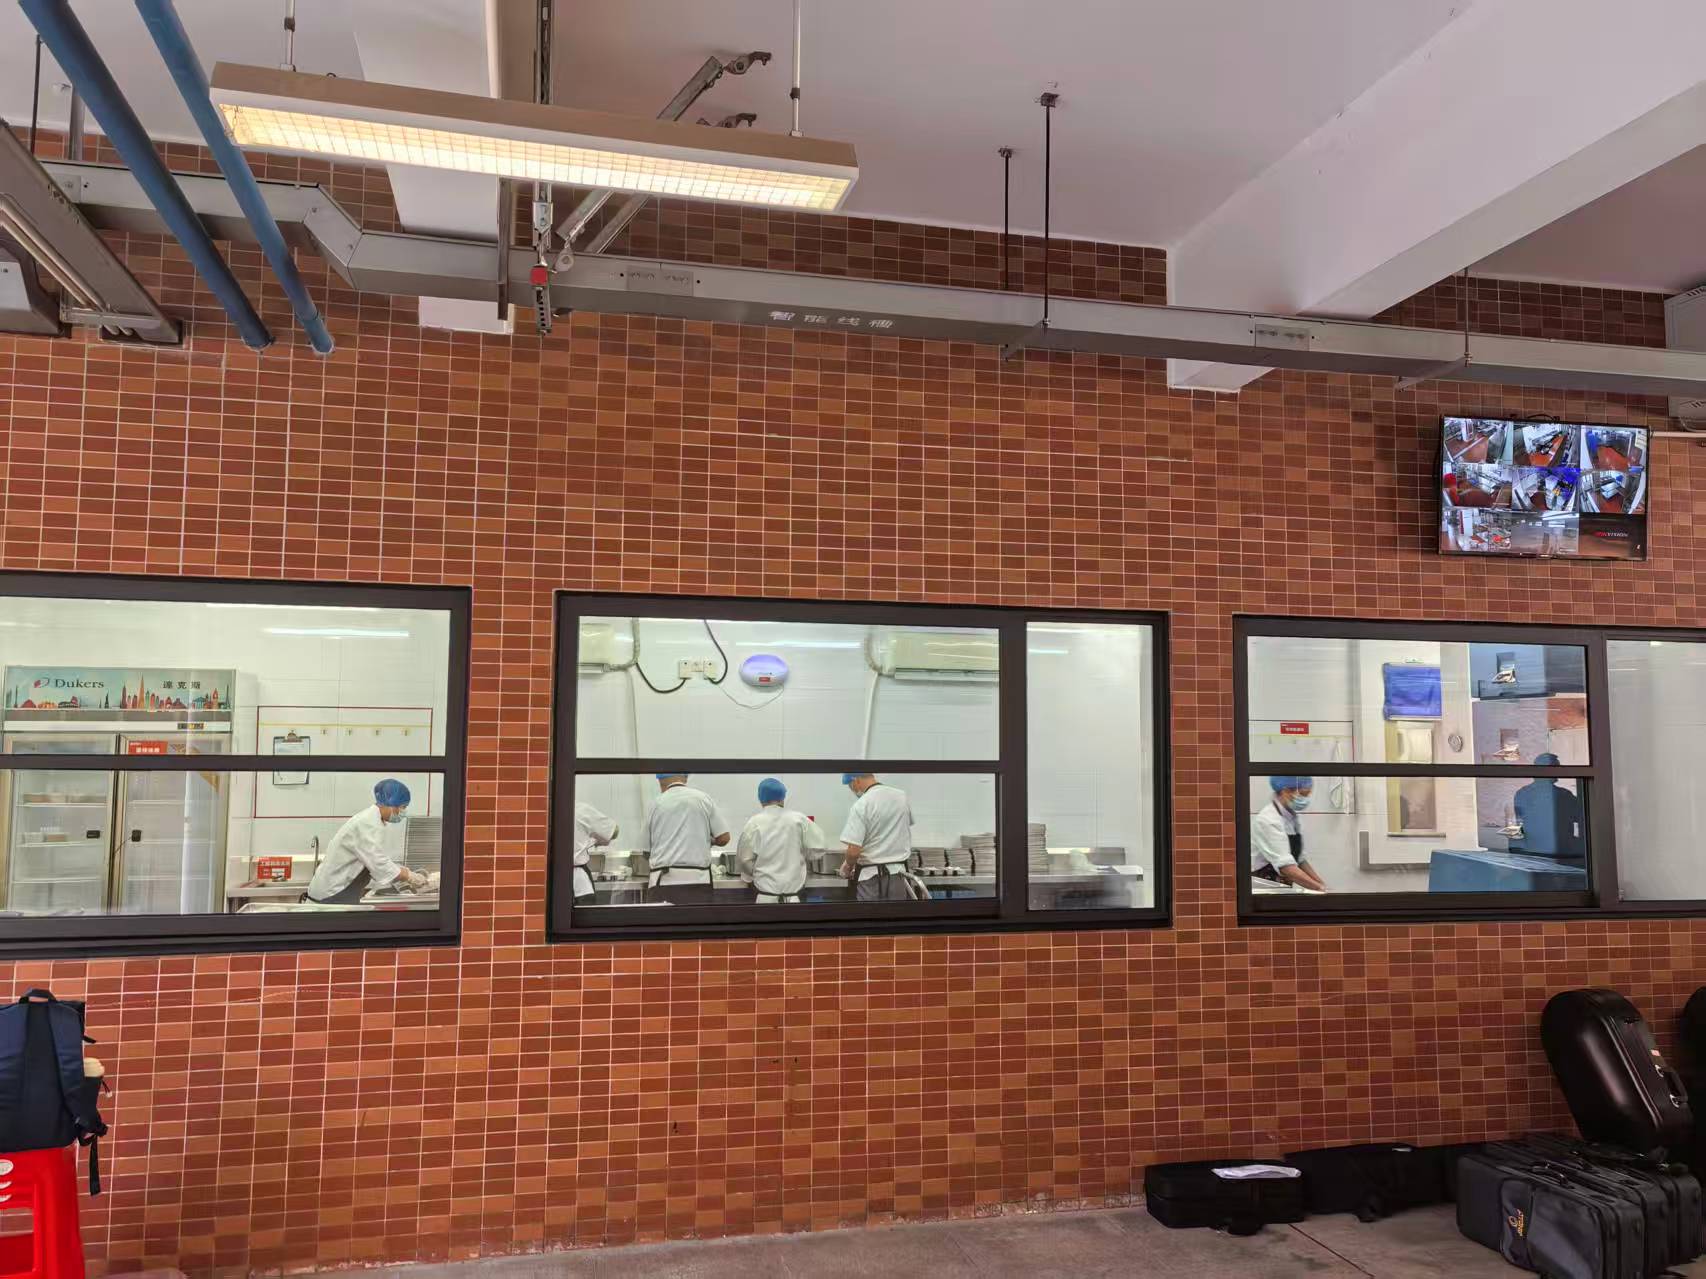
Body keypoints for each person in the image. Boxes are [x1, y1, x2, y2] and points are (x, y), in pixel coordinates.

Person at [304, 778, 430, 905]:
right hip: (330, 897)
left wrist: (402, 871)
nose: (403, 812)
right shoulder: (367, 824)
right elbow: (379, 864)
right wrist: (409, 876)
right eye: (403, 807)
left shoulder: (372, 821)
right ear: (391, 804)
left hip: (336, 894)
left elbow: (375, 860)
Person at [736, 778, 830, 903]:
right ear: (783, 797)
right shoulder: (799, 819)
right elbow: (820, 847)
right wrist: (802, 856)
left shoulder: (754, 823)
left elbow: (744, 859)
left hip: (765, 899)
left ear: (760, 799)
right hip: (794, 899)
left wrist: (752, 874)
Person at [643, 772, 730, 904]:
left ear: (661, 781)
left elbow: (645, 851)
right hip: (699, 882)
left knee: (662, 918)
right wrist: (706, 840)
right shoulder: (703, 799)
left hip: (663, 882)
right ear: (685, 777)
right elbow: (724, 838)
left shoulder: (655, 804)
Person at [838, 772, 915, 901]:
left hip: (871, 879)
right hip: (899, 875)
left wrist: (847, 867)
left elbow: (853, 851)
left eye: (850, 786)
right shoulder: (901, 797)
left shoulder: (862, 804)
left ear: (856, 780)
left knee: (871, 914)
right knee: (897, 913)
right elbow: (904, 826)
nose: (853, 790)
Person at [1251, 775, 1328, 892]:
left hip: (1282, 887)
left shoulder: (1292, 818)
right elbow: (1286, 867)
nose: (1306, 799)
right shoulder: (1268, 820)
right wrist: (1319, 888)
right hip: (1265, 889)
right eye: (1303, 794)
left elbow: (1300, 860)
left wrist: (1322, 885)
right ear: (1286, 791)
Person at [1510, 754, 1586, 858]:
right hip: (1559, 851)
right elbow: (1581, 818)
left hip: (1532, 849)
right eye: (1557, 768)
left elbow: (1520, 820)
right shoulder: (1563, 795)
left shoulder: (1522, 793)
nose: (1559, 772)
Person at [572, 799, 619, 904]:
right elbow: (614, 831)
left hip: (554, 882)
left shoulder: (544, 813)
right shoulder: (581, 810)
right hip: (580, 885)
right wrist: (594, 840)